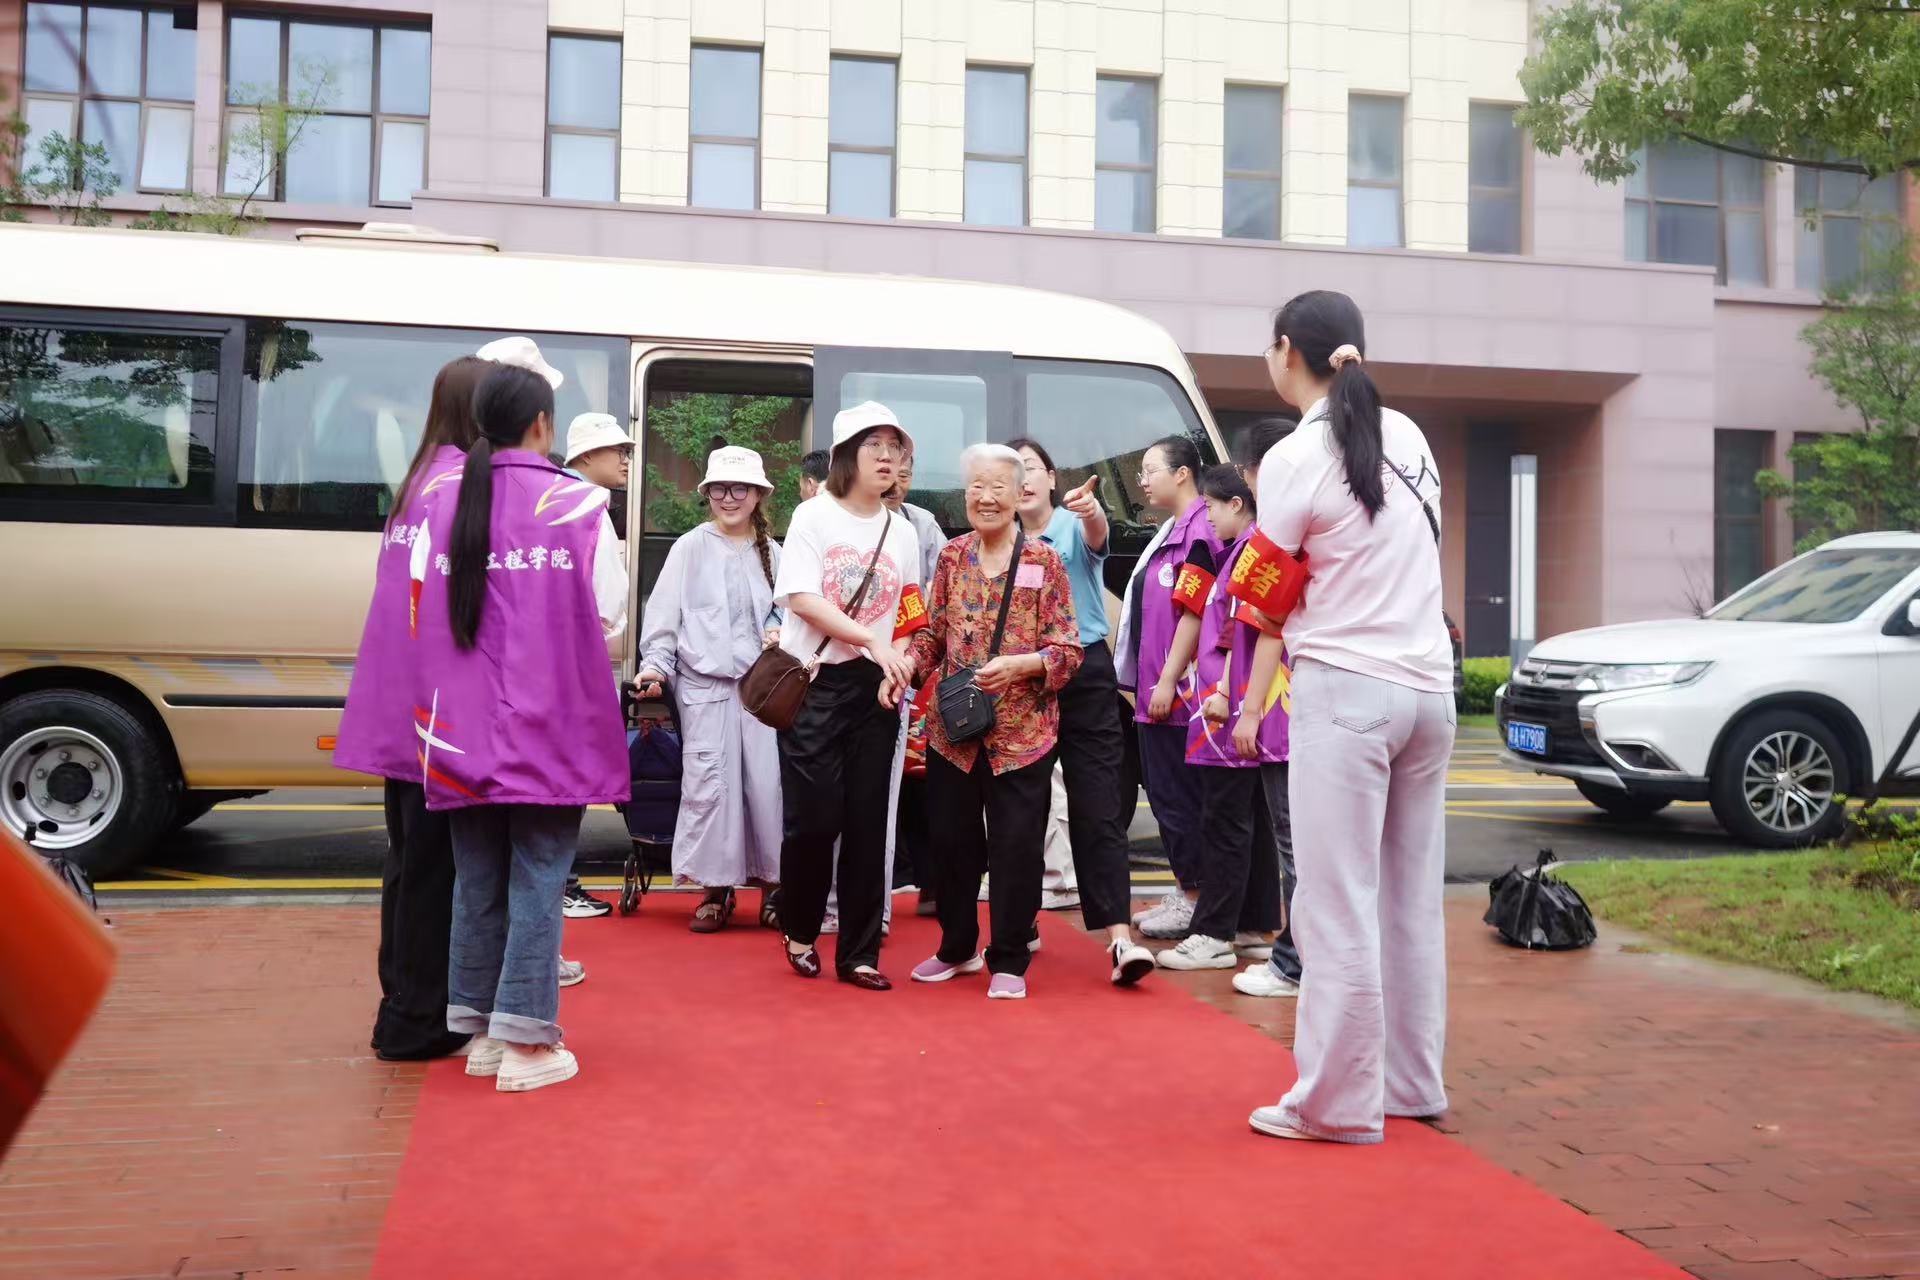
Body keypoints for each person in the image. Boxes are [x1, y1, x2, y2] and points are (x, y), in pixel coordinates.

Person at [1245, 290, 1454, 1144]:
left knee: (1334, 902)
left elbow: (1267, 584)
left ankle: (1334, 1103)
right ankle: (1410, 1082)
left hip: (1346, 691)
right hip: (1429, 692)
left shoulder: (1296, 454)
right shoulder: (1410, 435)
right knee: (1409, 901)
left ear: (1287, 351)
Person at [409, 339, 629, 1093]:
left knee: (478, 879)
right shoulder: (580, 504)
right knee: (539, 875)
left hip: (456, 724)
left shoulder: (438, 498)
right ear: (542, 423)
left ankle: (482, 1033)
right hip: (548, 720)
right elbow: (608, 616)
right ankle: (529, 1045)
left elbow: (418, 613)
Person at [336, 354, 488, 1062]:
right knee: (435, 871)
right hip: (438, 712)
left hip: (400, 705)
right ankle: (419, 1018)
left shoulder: (419, 479)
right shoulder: (461, 487)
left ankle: (401, 1004)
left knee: (408, 865)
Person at [902, 444, 1082, 1000]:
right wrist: (903, 668)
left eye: (997, 487)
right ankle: (957, 947)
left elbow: (1068, 650)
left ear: (1019, 493)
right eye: (976, 486)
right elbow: (932, 635)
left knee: (1016, 849)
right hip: (954, 733)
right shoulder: (952, 557)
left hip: (1022, 736)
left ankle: (1008, 956)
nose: (986, 497)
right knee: (951, 845)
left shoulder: (1045, 562)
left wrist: (1022, 665)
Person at [772, 402, 922, 991]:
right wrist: (871, 641)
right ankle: (800, 928)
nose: (887, 457)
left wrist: (899, 660)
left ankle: (859, 952)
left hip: (876, 687)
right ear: (845, 456)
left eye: (895, 447)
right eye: (873, 445)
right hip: (816, 682)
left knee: (868, 822)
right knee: (813, 821)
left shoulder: (902, 528)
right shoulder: (813, 515)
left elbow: (910, 606)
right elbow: (802, 597)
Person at [1009, 437, 1155, 986]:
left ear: (1051, 478)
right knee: (1021, 808)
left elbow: (1098, 534)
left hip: (1084, 673)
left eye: (1030, 468)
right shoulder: (1000, 542)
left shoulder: (1073, 525)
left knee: (1098, 805)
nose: (1023, 479)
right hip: (1023, 678)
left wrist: (1092, 509)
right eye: (1012, 471)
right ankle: (1018, 923)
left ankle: (1119, 938)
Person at [633, 446, 785, 933]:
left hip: (763, 694)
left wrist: (780, 631)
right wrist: (654, 668)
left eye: (740, 488)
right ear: (707, 494)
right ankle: (714, 891)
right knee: (709, 788)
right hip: (705, 690)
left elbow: (791, 611)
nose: (729, 497)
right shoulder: (689, 547)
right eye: (719, 488)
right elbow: (664, 619)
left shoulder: (775, 552)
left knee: (768, 788)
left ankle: (774, 889)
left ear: (758, 495)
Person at [1155, 465, 1286, 972]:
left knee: (1224, 819)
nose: (1206, 515)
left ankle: (1213, 932)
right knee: (1247, 817)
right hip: (1233, 701)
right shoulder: (1240, 550)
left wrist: (1227, 693)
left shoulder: (1250, 551)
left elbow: (1240, 631)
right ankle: (1253, 923)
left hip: (1227, 705)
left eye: (1211, 505)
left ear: (1237, 503)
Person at [1111, 435, 1219, 941]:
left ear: (1182, 473)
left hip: (1181, 697)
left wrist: (1168, 680)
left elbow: (1195, 613)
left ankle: (1195, 899)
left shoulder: (1201, 530)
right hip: (1158, 689)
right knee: (1167, 796)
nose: (1142, 481)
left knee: (1179, 799)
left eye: (1150, 469)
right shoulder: (1172, 528)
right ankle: (1186, 889)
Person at [1229, 419, 1305, 999]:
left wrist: (1249, 711)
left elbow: (1267, 626)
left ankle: (1295, 962)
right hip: (1336, 702)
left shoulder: (1277, 532)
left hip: (1288, 713)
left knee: (1295, 844)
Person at [554, 411, 634, 920]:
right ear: (586, 455)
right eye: (618, 451)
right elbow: (607, 604)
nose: (626, 460)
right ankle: (561, 883)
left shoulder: (545, 499)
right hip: (575, 667)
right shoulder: (589, 507)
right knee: (569, 781)